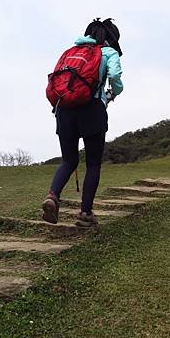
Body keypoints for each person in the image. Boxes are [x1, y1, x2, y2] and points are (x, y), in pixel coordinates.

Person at [42, 18, 124, 227]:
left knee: (68, 161)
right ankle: (85, 213)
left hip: (64, 109)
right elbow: (114, 76)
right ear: (111, 38)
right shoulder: (108, 53)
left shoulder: (71, 51)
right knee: (93, 164)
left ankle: (53, 196)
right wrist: (113, 92)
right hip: (92, 109)